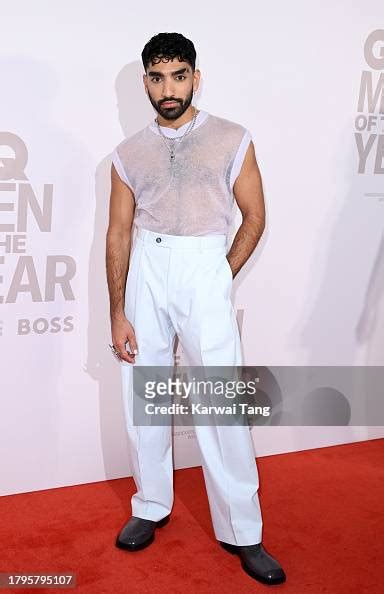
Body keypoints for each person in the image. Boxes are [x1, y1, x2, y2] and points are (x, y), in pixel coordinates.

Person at [106, 32, 286, 586]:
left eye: (178, 76)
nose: (169, 89)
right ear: (145, 83)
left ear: (195, 77)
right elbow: (117, 234)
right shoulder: (126, 153)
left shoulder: (233, 138)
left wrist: (219, 274)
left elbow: (253, 216)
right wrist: (117, 311)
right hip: (148, 268)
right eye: (157, 78)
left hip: (205, 261)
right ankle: (150, 504)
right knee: (146, 393)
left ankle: (243, 530)